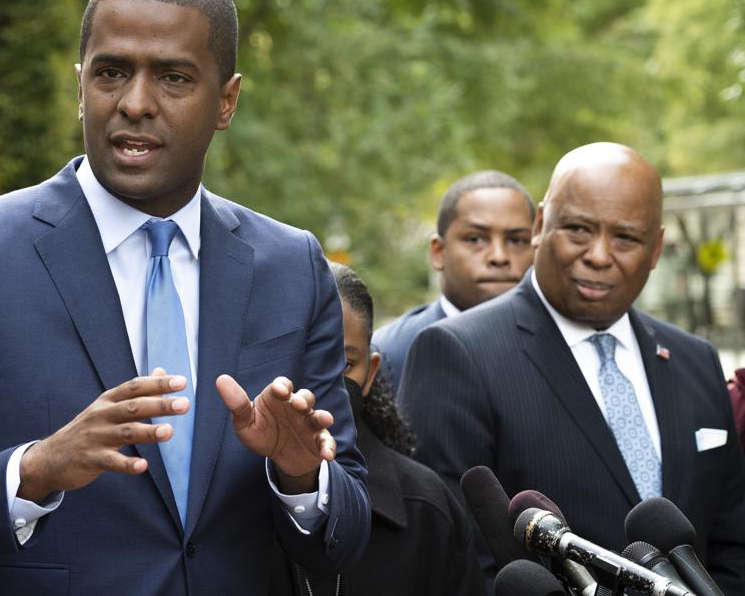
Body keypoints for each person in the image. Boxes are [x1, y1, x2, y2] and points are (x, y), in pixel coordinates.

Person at [0, 0, 369, 596]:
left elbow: (348, 532)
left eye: (174, 78)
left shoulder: (292, 266)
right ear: (79, 85)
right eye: (111, 72)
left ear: (227, 100)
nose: (135, 103)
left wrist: (298, 475)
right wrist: (34, 471)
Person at [399, 143, 745, 592]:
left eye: (625, 238)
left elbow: (731, 545)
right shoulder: (455, 353)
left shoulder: (695, 360)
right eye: (579, 229)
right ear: (541, 225)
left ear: (656, 247)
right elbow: (451, 560)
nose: (600, 255)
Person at [269, 262, 483, 595]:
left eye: (343, 364)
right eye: (302, 359)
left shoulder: (425, 507)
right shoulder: (224, 500)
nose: (317, 384)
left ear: (371, 373)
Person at [372, 170, 534, 386]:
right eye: (476, 239)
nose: (499, 256)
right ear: (439, 252)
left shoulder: (565, 346)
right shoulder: (387, 356)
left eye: (517, 240)